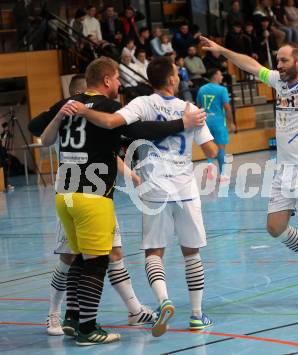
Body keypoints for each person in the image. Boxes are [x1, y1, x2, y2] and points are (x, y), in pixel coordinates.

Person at [39, 57, 206, 345]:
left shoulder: (68, 104)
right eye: (117, 78)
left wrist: (60, 113)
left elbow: (36, 127)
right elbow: (140, 131)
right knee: (95, 263)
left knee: (82, 258)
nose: (120, 84)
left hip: (64, 191)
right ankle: (84, 327)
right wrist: (183, 122)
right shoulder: (108, 107)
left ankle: (74, 317)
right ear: (106, 80)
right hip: (92, 193)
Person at [200, 35, 298, 308]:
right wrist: (222, 49)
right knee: (275, 227)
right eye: (278, 60)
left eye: (284, 60)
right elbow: (251, 65)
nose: (279, 64)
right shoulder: (278, 82)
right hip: (284, 169)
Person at [28, 75, 160, 336]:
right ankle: (57, 314)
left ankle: (133, 309)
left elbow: (108, 151)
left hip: (92, 194)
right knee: (72, 258)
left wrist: (130, 175)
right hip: (79, 192)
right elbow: (39, 131)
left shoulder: (91, 119)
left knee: (114, 253)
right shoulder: (74, 113)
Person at [197, 68, 236, 182]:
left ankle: (209, 164)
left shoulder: (201, 89)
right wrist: (231, 122)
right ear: (215, 75)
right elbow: (227, 108)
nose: (222, 77)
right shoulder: (222, 90)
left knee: (209, 146)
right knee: (221, 148)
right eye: (220, 74)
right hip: (218, 122)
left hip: (205, 122)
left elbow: (198, 106)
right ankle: (222, 174)